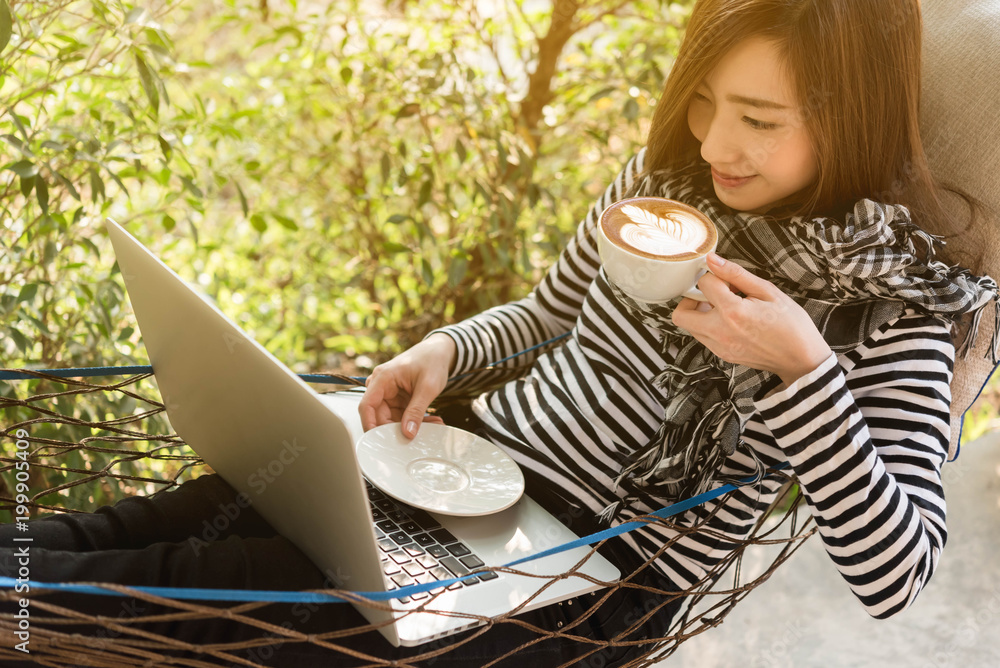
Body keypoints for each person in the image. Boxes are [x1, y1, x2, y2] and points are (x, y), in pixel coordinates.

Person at [2, 0, 996, 666]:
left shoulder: (891, 316)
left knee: (188, 590)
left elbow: (896, 573)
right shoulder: (663, 198)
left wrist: (804, 368)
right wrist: (446, 350)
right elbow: (548, 314)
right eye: (702, 101)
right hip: (462, 465)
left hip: (581, 577)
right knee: (150, 525)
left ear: (851, 117)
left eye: (758, 118)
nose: (711, 142)